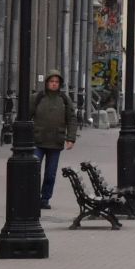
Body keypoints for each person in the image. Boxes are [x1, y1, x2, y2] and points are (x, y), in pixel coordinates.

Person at [32, 70, 76, 209]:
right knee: (34, 170)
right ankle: (32, 198)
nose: (54, 84)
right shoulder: (37, 97)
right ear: (46, 83)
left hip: (56, 142)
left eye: (56, 82)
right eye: (51, 81)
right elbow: (25, 116)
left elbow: (71, 119)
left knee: (50, 174)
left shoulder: (64, 99)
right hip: (38, 140)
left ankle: (45, 199)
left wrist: (71, 138)